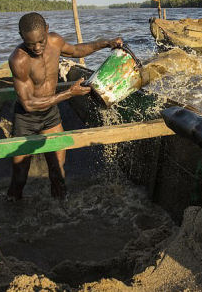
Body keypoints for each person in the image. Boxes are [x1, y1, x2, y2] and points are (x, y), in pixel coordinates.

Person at [7, 12, 123, 201]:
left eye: (40, 42)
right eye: (30, 44)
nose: (36, 48)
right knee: (20, 177)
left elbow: (77, 50)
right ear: (21, 37)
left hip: (50, 115)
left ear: (47, 30)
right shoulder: (19, 60)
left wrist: (105, 43)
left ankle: (60, 209)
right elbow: (28, 104)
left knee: (58, 172)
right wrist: (69, 93)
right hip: (26, 120)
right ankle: (13, 209)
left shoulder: (55, 41)